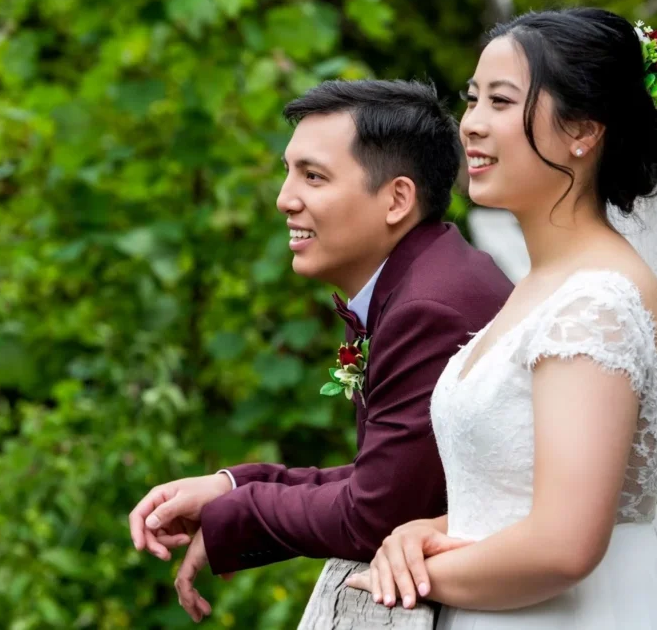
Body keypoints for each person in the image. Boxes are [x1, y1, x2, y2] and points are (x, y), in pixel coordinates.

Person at [346, 9, 657, 629]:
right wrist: (421, 532)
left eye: (501, 103)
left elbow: (565, 544)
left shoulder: (596, 305)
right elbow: (514, 494)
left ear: (582, 130)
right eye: (472, 99)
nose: (471, 125)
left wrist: (401, 580)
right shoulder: (546, 283)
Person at [127, 79, 513, 623]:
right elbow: (390, 477)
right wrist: (231, 486)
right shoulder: (429, 277)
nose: (285, 199)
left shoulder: (430, 309)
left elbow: (378, 513)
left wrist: (239, 511)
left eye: (313, 176)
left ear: (397, 199)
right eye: (289, 173)